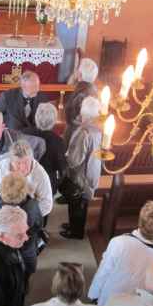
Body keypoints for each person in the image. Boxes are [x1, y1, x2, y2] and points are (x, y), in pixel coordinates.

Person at [89, 200, 153, 306]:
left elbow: (103, 272)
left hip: (110, 302)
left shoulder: (119, 242)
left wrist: (93, 295)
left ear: (141, 221)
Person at [60, 96, 102, 240]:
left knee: (77, 204)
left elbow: (75, 160)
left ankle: (76, 232)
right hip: (92, 172)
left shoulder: (84, 132)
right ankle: (74, 226)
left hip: (81, 176)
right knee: (80, 203)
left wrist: (65, 158)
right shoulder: (98, 130)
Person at [0, 139, 53, 218]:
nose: (22, 167)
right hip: (4, 210)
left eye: (26, 162)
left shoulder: (40, 174)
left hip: (28, 215)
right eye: (18, 163)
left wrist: (25, 216)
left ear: (31, 159)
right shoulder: (3, 166)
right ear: (11, 161)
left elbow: (47, 203)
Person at [23, 102, 67, 196]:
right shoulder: (58, 141)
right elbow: (61, 167)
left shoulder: (23, 133)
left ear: (36, 117)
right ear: (54, 121)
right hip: (46, 184)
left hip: (26, 181)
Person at [64, 57, 99, 148]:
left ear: (80, 75)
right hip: (87, 129)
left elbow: (70, 115)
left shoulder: (80, 94)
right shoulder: (93, 88)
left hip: (76, 131)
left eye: (77, 69)